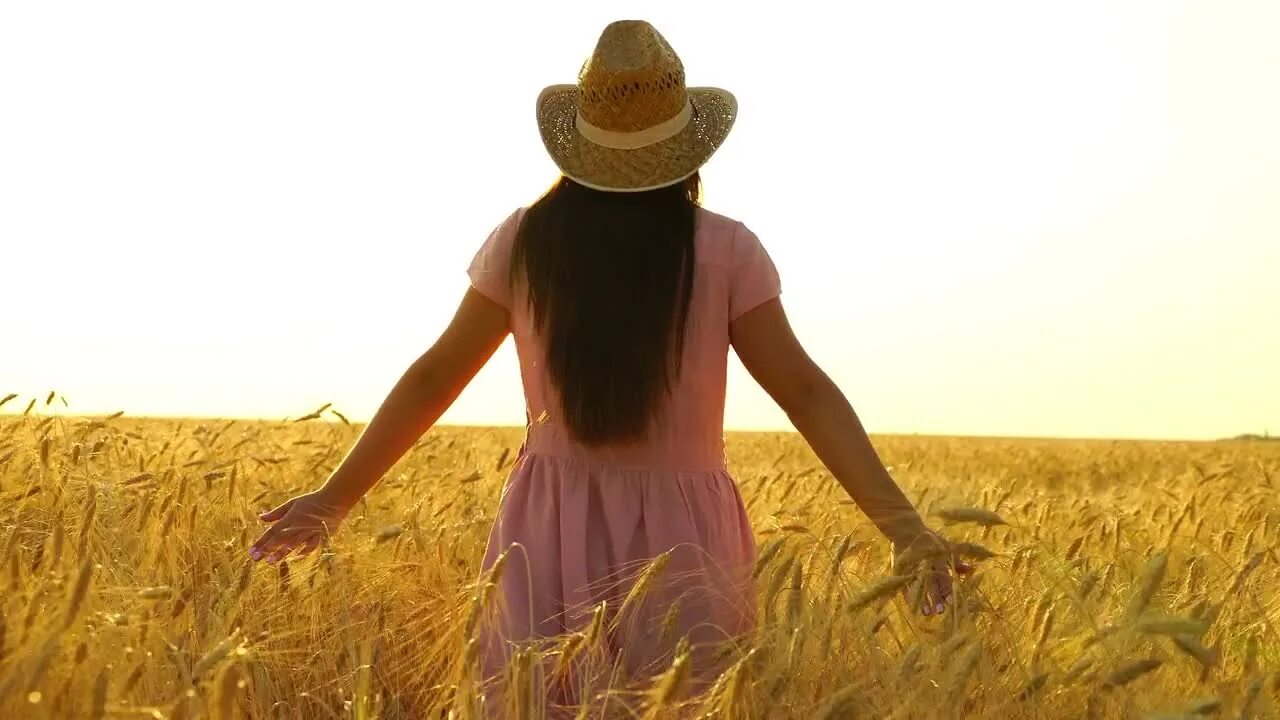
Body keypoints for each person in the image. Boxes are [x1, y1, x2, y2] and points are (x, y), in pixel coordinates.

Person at [249, 19, 968, 715]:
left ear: (582, 142)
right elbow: (805, 391)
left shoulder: (527, 242)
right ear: (688, 147)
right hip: (686, 539)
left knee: (532, 705)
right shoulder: (725, 251)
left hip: (545, 529)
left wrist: (333, 499)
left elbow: (436, 376)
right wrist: (903, 527)